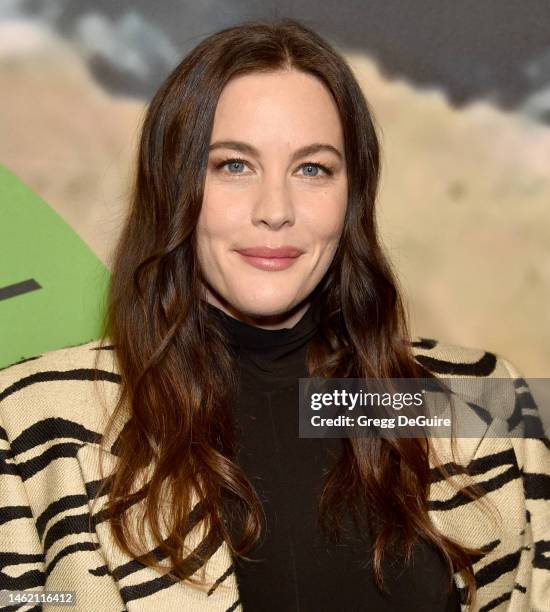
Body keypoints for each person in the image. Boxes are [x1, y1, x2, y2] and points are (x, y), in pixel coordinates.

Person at [0, 18, 549, 612]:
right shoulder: (38, 420)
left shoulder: (479, 403)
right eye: (233, 165)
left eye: (313, 168)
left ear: (352, 197)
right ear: (173, 185)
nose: (276, 210)